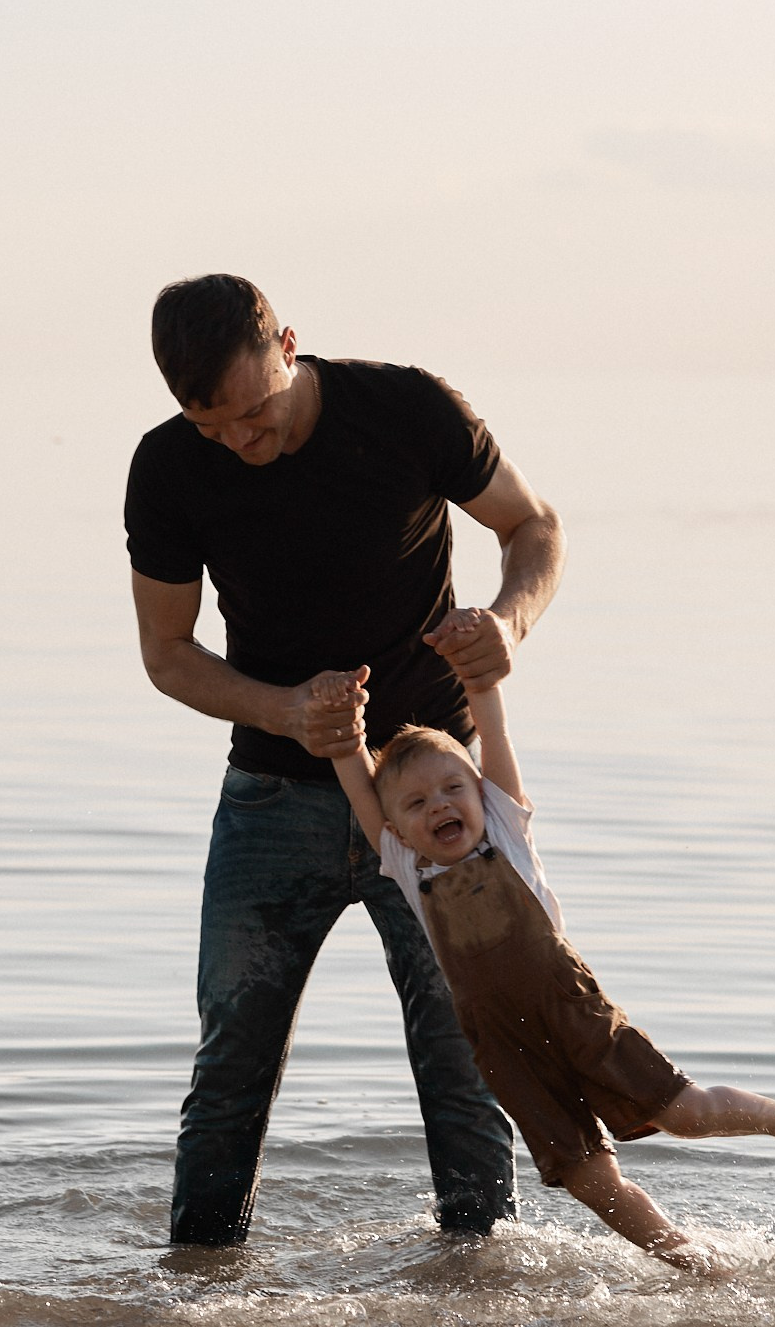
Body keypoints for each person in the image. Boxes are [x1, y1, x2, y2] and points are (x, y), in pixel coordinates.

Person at [125, 274, 566, 1246]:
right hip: (273, 800)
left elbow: (532, 525)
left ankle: (479, 1289)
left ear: (288, 346)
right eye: (212, 427)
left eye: (255, 413)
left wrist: (509, 622)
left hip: (433, 798)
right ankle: (196, 1291)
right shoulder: (167, 469)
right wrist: (285, 711)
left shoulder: (405, 408)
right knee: (230, 1063)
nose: (241, 442)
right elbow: (166, 653)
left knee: (467, 1053)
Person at [327, 657, 775, 1271]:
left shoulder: (504, 830)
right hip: (503, 1046)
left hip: (572, 1011)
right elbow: (360, 786)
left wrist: (481, 685)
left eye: (453, 788)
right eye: (417, 802)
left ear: (481, 792)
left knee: (684, 1114)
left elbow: (494, 734)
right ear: (396, 828)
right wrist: (346, 736)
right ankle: (690, 1258)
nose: (439, 806)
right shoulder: (406, 865)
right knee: (585, 1176)